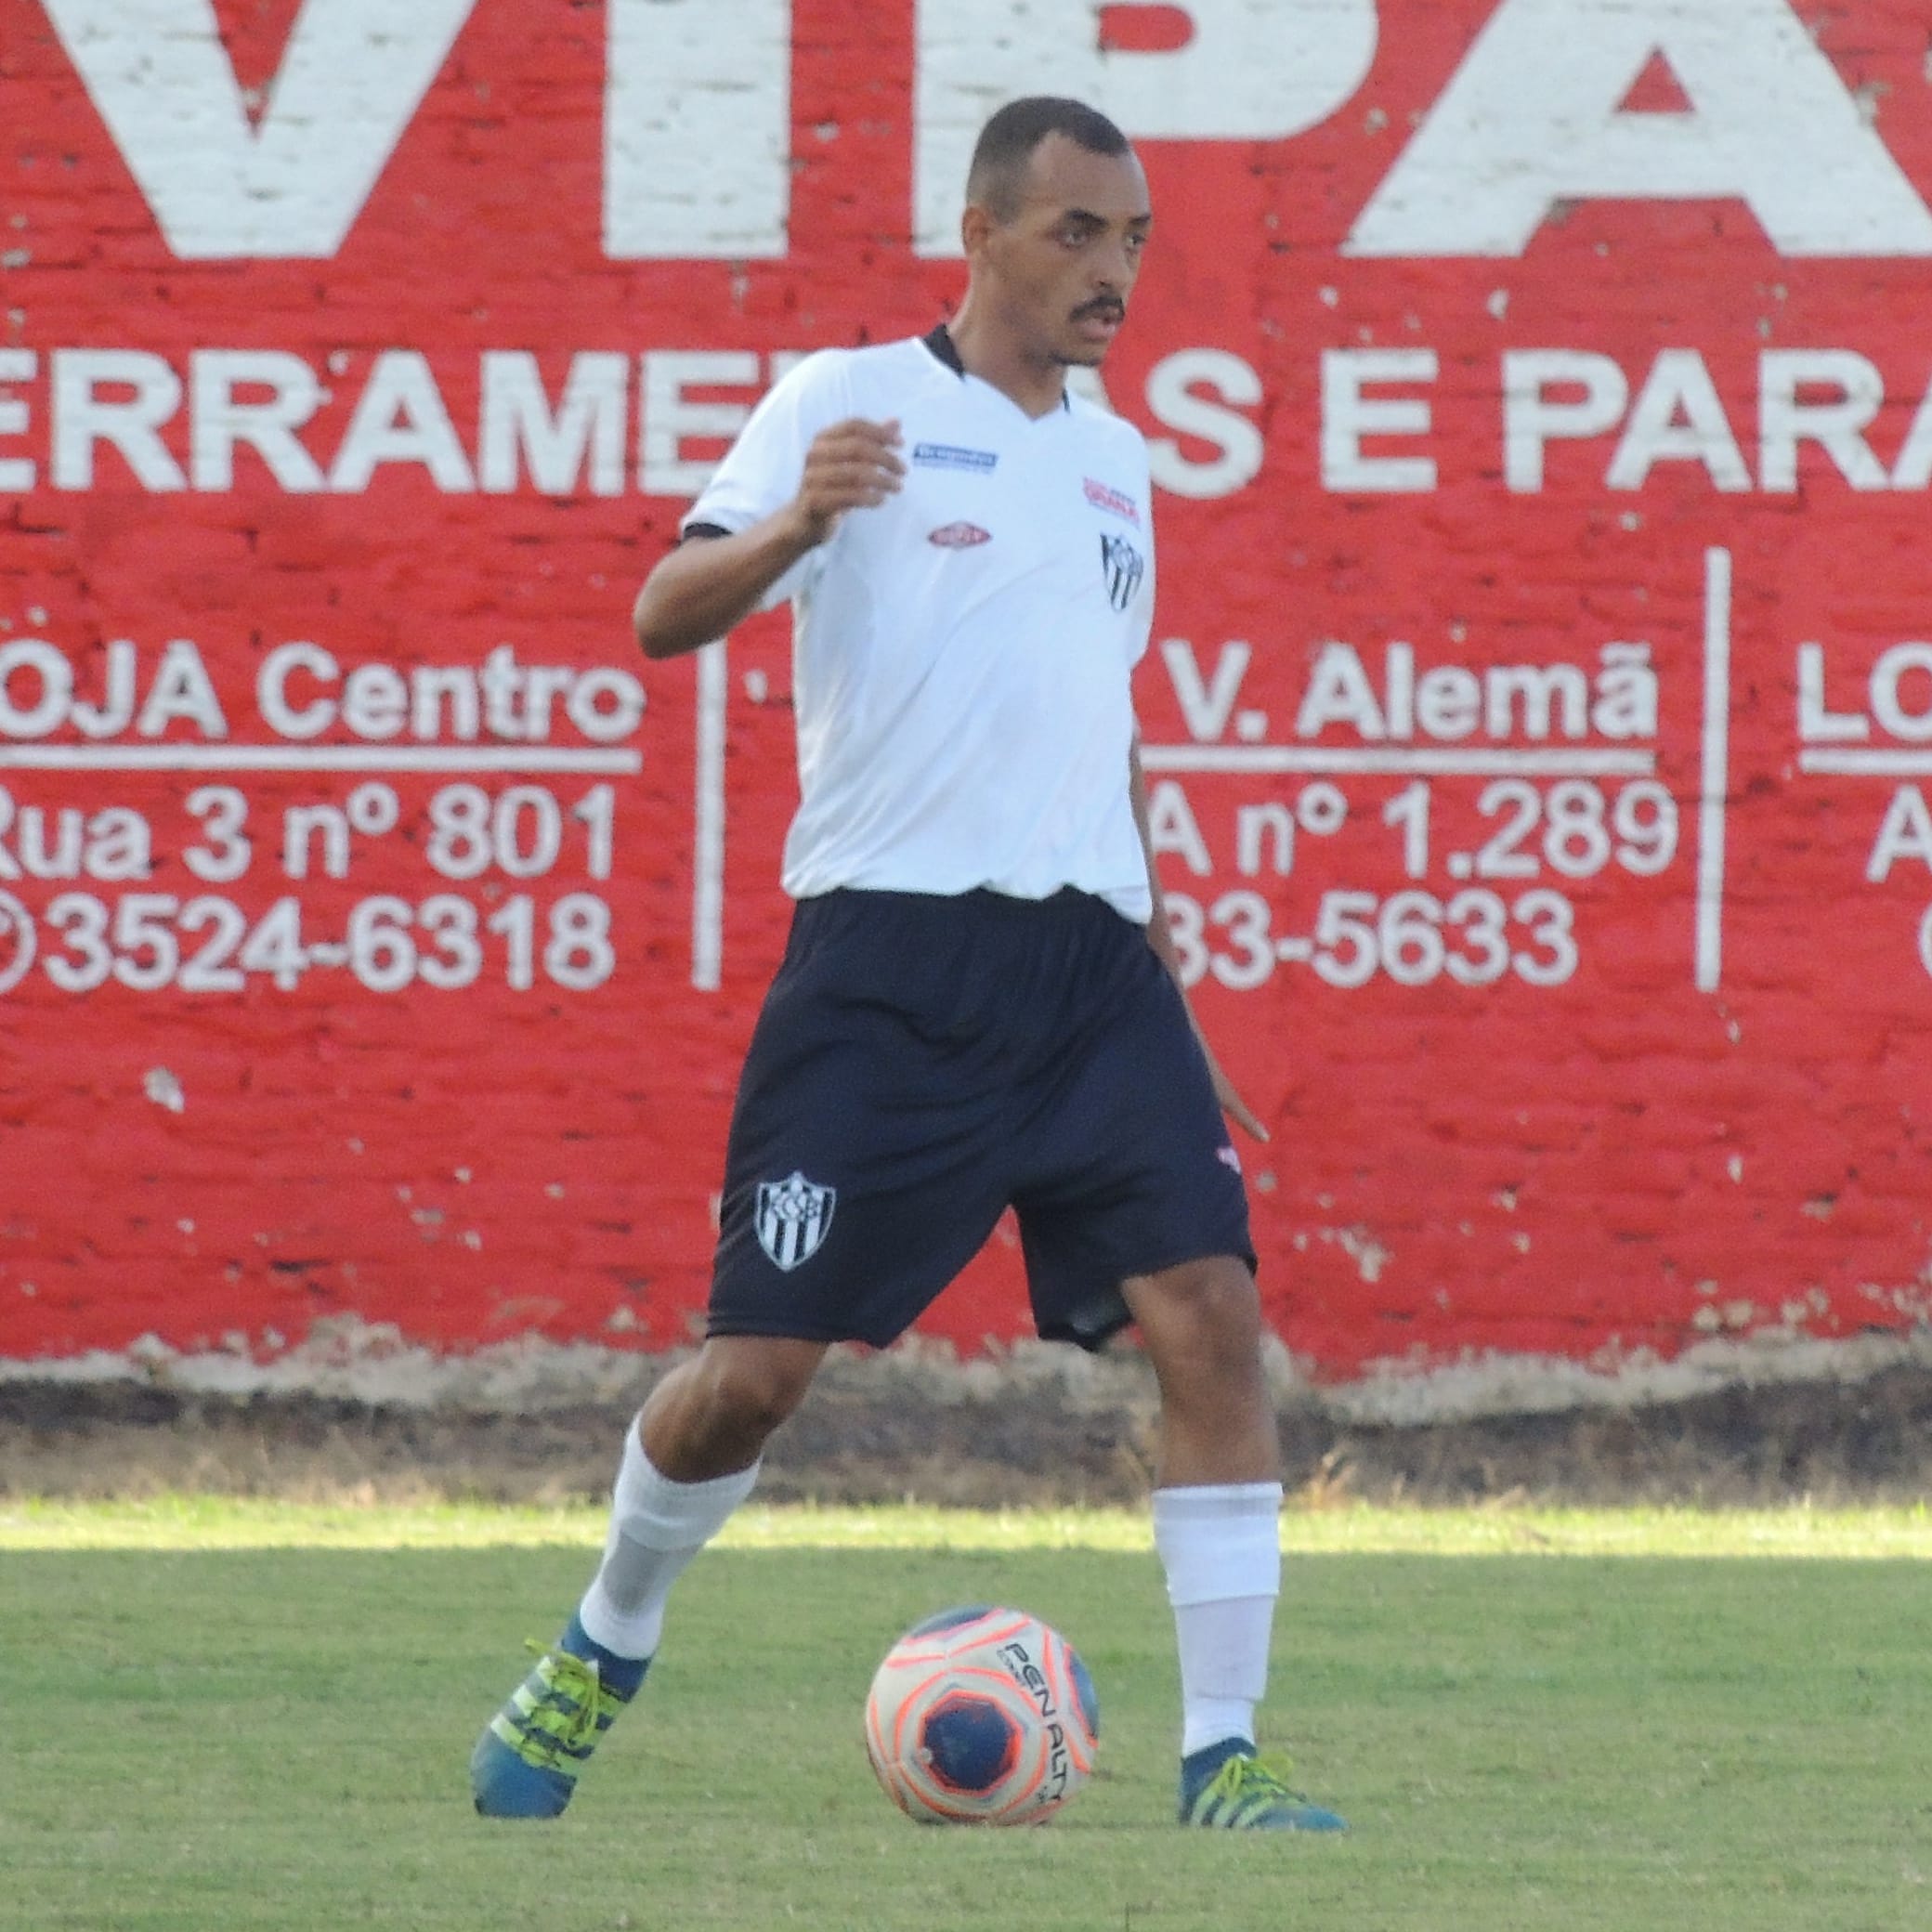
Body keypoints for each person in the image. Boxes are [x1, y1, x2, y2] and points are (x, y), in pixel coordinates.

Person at [470, 96, 1344, 1834]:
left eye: (1136, 242)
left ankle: (1225, 1760)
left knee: (1216, 1325)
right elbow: (660, 616)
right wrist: (798, 528)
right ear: (982, 233)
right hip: (890, 966)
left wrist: (1164, 943)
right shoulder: (845, 399)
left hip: (1093, 978)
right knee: (754, 1382)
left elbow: (1102, 720)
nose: (1114, 274)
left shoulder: (1119, 462)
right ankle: (601, 1638)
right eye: (1079, 234)